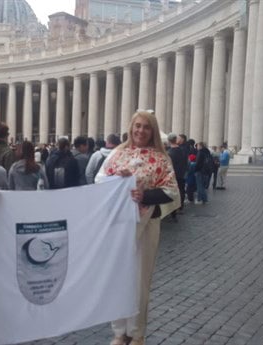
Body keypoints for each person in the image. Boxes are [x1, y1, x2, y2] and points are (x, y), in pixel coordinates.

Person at [96, 111, 179, 345]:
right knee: (118, 277)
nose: (141, 131)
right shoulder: (117, 153)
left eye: (146, 127)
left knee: (140, 280)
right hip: (119, 226)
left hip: (146, 225)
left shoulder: (162, 159)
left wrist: (146, 195)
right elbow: (99, 180)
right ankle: (119, 332)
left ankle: (137, 332)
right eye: (137, 126)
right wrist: (117, 178)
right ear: (131, 128)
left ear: (152, 131)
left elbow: (172, 191)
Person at [166, 133, 187, 219]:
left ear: (169, 141)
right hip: (181, 174)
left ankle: (173, 211)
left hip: (173, 175)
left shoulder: (169, 152)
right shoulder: (183, 150)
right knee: (181, 191)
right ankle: (180, 206)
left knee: (171, 193)